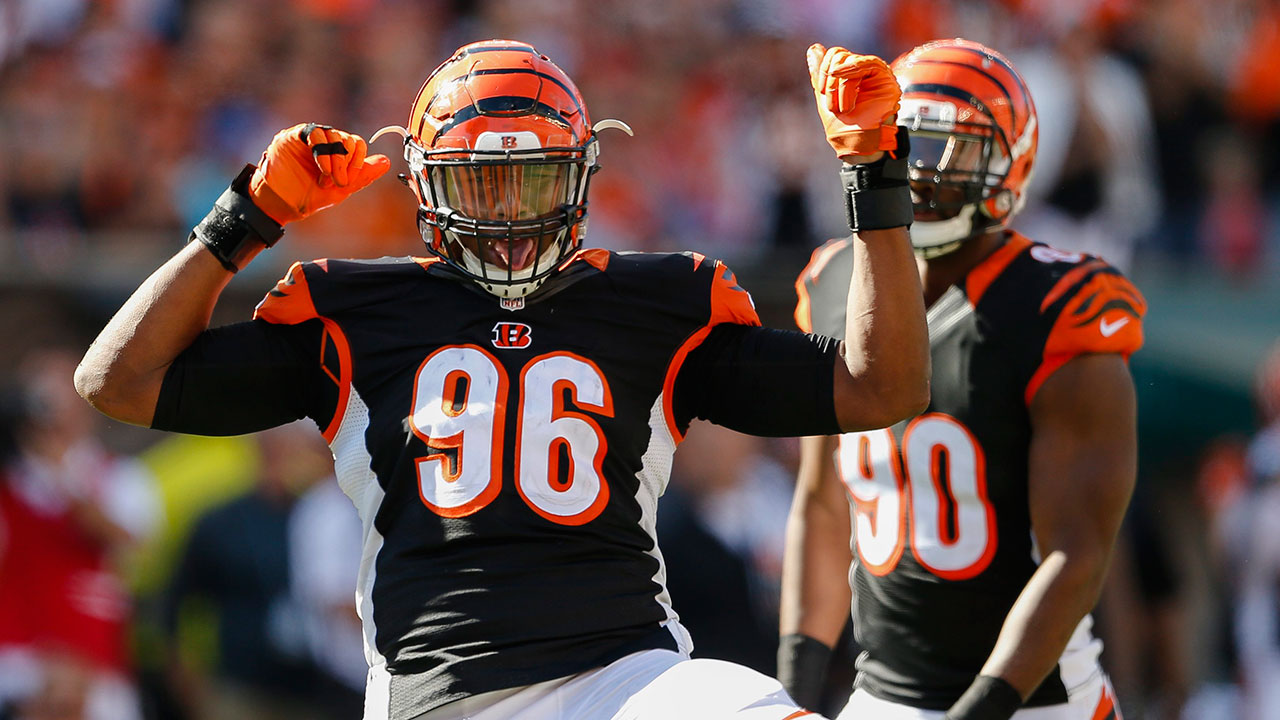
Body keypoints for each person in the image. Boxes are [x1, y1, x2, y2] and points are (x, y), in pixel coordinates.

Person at [74, 39, 929, 720]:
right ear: (425, 182)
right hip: (442, 692)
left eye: (535, 184)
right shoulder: (350, 308)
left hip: (626, 673)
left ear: (584, 176)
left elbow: (879, 390)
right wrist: (245, 219)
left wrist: (874, 180)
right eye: (485, 185)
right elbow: (117, 382)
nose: (513, 217)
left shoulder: (657, 302)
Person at [778, 38, 1145, 720]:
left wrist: (977, 713)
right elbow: (823, 507)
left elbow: (1078, 555)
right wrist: (792, 696)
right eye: (910, 145)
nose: (923, 173)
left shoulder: (1061, 304)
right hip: (880, 695)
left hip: (1034, 701)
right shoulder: (833, 282)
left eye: (956, 150)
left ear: (1014, 162)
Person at [0, 350, 159, 720]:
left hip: (99, 662)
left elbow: (132, 545)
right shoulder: (10, 482)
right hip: (19, 660)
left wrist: (65, 480)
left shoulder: (120, 477)